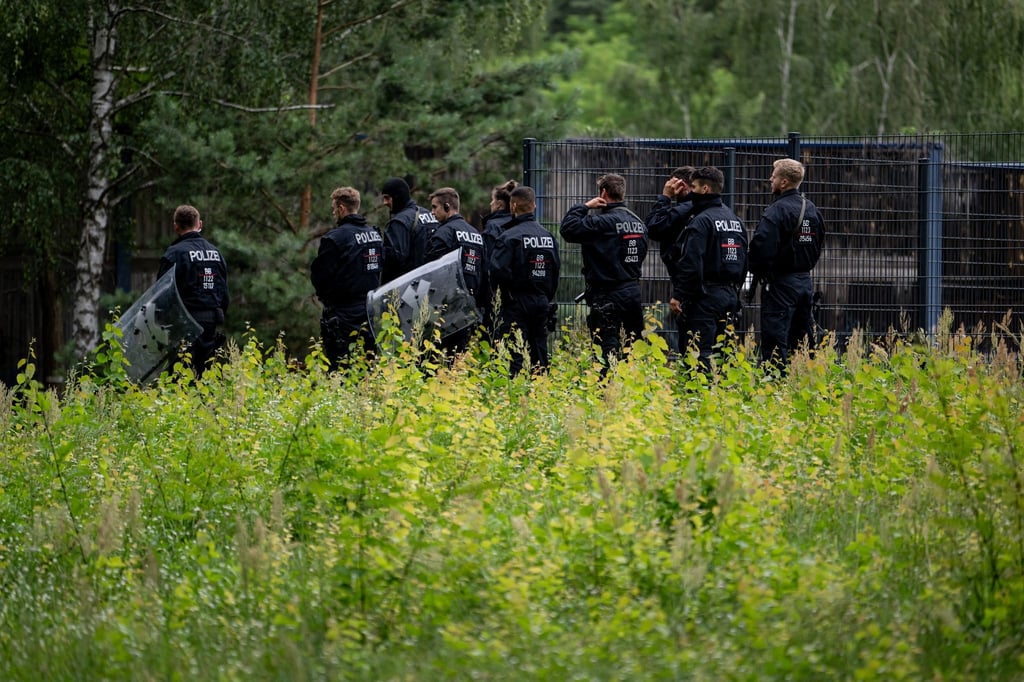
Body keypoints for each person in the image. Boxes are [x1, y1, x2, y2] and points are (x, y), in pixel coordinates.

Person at [559, 172, 648, 365]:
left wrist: (584, 207)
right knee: (632, 347)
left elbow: (567, 228)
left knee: (606, 350)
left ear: (603, 192)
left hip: (607, 294)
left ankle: (607, 383)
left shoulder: (600, 223)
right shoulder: (638, 223)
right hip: (632, 293)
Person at [748, 157, 826, 369]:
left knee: (775, 339)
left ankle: (775, 381)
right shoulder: (812, 209)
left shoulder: (777, 211)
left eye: (773, 176)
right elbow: (818, 243)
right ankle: (802, 378)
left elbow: (761, 248)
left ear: (784, 182)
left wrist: (756, 269)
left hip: (780, 284)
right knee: (802, 339)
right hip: (804, 282)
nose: (770, 179)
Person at [670, 166, 747, 369]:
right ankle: (724, 387)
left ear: (705, 189)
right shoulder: (735, 220)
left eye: (694, 187)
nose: (691, 191)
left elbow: (692, 262)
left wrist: (679, 295)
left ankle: (700, 388)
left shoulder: (701, 221)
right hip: (730, 295)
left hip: (705, 296)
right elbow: (744, 260)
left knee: (699, 352)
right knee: (725, 352)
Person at [489, 186, 561, 376]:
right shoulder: (548, 237)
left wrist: (506, 297)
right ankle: (541, 389)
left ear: (513, 206)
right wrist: (545, 296)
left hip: (515, 302)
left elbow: (497, 272)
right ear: (534, 205)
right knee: (539, 353)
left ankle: (513, 389)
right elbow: (555, 271)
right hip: (541, 301)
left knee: (514, 355)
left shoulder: (508, 236)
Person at [310, 186, 384, 370]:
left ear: (341, 208)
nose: (333, 213)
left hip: (342, 315)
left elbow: (320, 277)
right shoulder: (375, 235)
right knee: (368, 367)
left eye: (334, 208)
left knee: (340, 368)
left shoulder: (335, 239)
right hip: (371, 311)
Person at [158, 204, 229, 378]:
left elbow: (161, 295)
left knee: (180, 378)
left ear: (176, 227)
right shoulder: (216, 253)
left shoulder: (174, 254)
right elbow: (224, 295)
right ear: (200, 224)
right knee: (204, 378)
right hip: (210, 327)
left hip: (182, 325)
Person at [425, 187, 488, 353]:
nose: (432, 212)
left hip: (444, 309)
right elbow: (484, 273)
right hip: (468, 308)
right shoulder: (476, 234)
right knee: (459, 357)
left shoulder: (443, 234)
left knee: (437, 358)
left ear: (447, 206)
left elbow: (430, 272)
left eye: (435, 207)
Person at [645, 166, 696, 352]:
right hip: (717, 288)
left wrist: (665, 197)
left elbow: (652, 228)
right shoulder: (712, 209)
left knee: (690, 343)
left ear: (681, 185)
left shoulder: (684, 210)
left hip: (686, 286)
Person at [379, 176, 438, 283]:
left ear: (397, 197)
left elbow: (393, 262)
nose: (384, 202)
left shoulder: (399, 222)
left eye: (387, 198)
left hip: (409, 286)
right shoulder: (430, 215)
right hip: (432, 282)